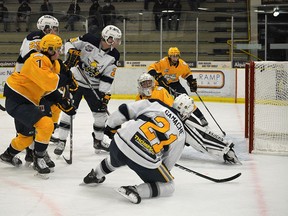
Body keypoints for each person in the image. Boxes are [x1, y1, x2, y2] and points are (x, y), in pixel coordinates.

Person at [82, 94, 193, 204]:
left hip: (120, 142)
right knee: (169, 185)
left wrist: (111, 127)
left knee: (115, 158)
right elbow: (167, 166)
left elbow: (125, 110)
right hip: (143, 158)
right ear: (187, 115)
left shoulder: (156, 104)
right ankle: (135, 190)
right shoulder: (182, 135)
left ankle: (95, 174)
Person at [0, 34, 77, 177]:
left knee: (26, 138)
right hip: (18, 99)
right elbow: (48, 82)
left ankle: (7, 155)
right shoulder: (37, 59)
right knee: (45, 124)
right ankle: (38, 158)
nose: (60, 52)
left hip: (28, 100)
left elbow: (47, 89)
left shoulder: (52, 62)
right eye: (58, 49)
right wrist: (66, 80)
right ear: (49, 49)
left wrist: (63, 100)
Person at [136, 73, 240, 164]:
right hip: (162, 128)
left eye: (148, 82)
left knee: (199, 139)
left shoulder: (160, 91)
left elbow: (170, 108)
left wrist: (177, 123)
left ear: (153, 83)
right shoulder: (138, 98)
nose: (147, 85)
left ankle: (225, 151)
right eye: (144, 83)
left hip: (176, 121)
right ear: (140, 86)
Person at [53, 25, 122, 156]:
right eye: (116, 39)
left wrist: (103, 93)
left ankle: (98, 141)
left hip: (94, 86)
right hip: (75, 82)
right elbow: (68, 43)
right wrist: (72, 52)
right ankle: (61, 141)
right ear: (108, 38)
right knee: (68, 112)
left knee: (101, 116)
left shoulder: (114, 54)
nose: (118, 42)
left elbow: (108, 76)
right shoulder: (88, 39)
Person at [14, 15, 63, 168]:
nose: (55, 31)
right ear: (46, 28)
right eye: (53, 28)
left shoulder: (48, 41)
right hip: (27, 85)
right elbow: (31, 59)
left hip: (37, 85)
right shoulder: (35, 37)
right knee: (32, 118)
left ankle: (37, 148)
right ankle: (32, 150)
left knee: (47, 113)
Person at [148, 47, 209, 126]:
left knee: (186, 100)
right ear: (169, 56)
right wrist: (158, 76)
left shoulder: (182, 64)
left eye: (177, 56)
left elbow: (187, 74)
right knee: (164, 102)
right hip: (162, 83)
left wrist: (190, 81)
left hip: (174, 83)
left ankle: (201, 117)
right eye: (173, 56)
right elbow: (150, 68)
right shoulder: (163, 62)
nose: (175, 58)